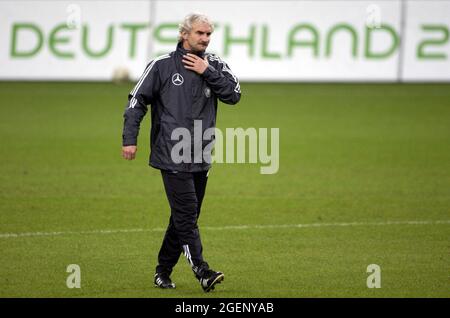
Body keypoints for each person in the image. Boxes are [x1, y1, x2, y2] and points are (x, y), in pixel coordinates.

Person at [121, 13, 241, 292]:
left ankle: (162, 271)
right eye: (200, 33)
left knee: (184, 217)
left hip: (202, 153)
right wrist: (130, 139)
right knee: (186, 214)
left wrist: (206, 70)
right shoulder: (162, 66)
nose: (205, 39)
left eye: (209, 34)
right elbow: (137, 101)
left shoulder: (216, 64)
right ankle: (202, 270)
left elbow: (234, 94)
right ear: (184, 34)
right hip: (171, 153)